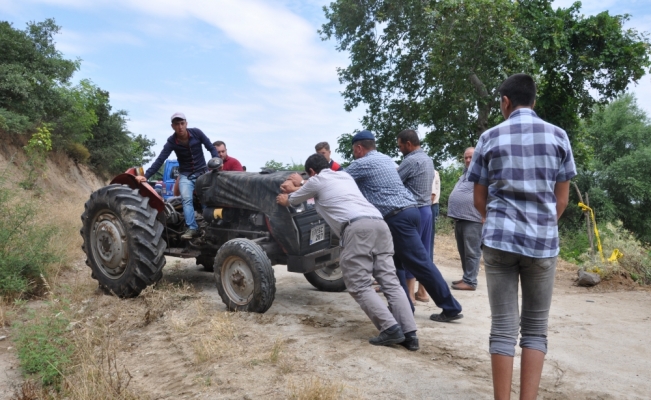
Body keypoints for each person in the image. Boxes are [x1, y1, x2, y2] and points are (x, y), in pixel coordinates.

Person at [468, 73, 575, 400]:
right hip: (542, 245)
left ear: (505, 102)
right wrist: (541, 224)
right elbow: (562, 199)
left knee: (502, 328)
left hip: (499, 242)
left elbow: (478, 199)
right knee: (535, 329)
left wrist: (497, 223)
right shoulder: (558, 136)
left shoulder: (488, 137)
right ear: (534, 101)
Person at [277, 153, 419, 350]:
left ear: (311, 171)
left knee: (359, 285)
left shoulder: (316, 180)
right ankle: (410, 334)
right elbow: (316, 189)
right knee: (390, 282)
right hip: (379, 224)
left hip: (357, 229)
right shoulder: (344, 176)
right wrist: (300, 184)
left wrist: (286, 195)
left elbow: (291, 199)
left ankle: (390, 328)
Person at [345, 130, 463, 322]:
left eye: (353, 150)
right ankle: (405, 308)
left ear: (359, 148)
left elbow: (338, 179)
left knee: (420, 263)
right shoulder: (385, 159)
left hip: (397, 217)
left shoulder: (363, 163)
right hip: (410, 212)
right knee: (395, 264)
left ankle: (450, 307)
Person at [137, 113, 219, 239]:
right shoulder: (171, 141)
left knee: (206, 200)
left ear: (186, 123)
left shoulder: (197, 133)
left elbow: (211, 148)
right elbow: (160, 159)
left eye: (182, 123)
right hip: (185, 175)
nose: (180, 127)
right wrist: (146, 176)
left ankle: (210, 227)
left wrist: (217, 161)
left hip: (202, 172)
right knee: (186, 199)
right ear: (172, 126)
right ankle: (192, 228)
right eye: (177, 124)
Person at [396, 129, 433, 303]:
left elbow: (394, 182)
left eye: (400, 145)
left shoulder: (410, 161)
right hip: (427, 210)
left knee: (409, 252)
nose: (400, 149)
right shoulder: (427, 159)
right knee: (424, 252)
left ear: (408, 144)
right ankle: (422, 292)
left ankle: (409, 295)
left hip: (413, 211)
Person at [448, 147, 483, 291]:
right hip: (461, 218)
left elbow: (490, 193)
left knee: (472, 251)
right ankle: (466, 277)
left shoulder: (482, 172)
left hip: (473, 218)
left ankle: (471, 281)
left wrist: (485, 214)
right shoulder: (465, 173)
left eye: (471, 157)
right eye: (466, 157)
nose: (468, 160)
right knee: (463, 250)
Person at [431, 169, 440, 258]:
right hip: (432, 206)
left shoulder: (431, 172)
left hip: (431, 205)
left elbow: (432, 194)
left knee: (429, 235)